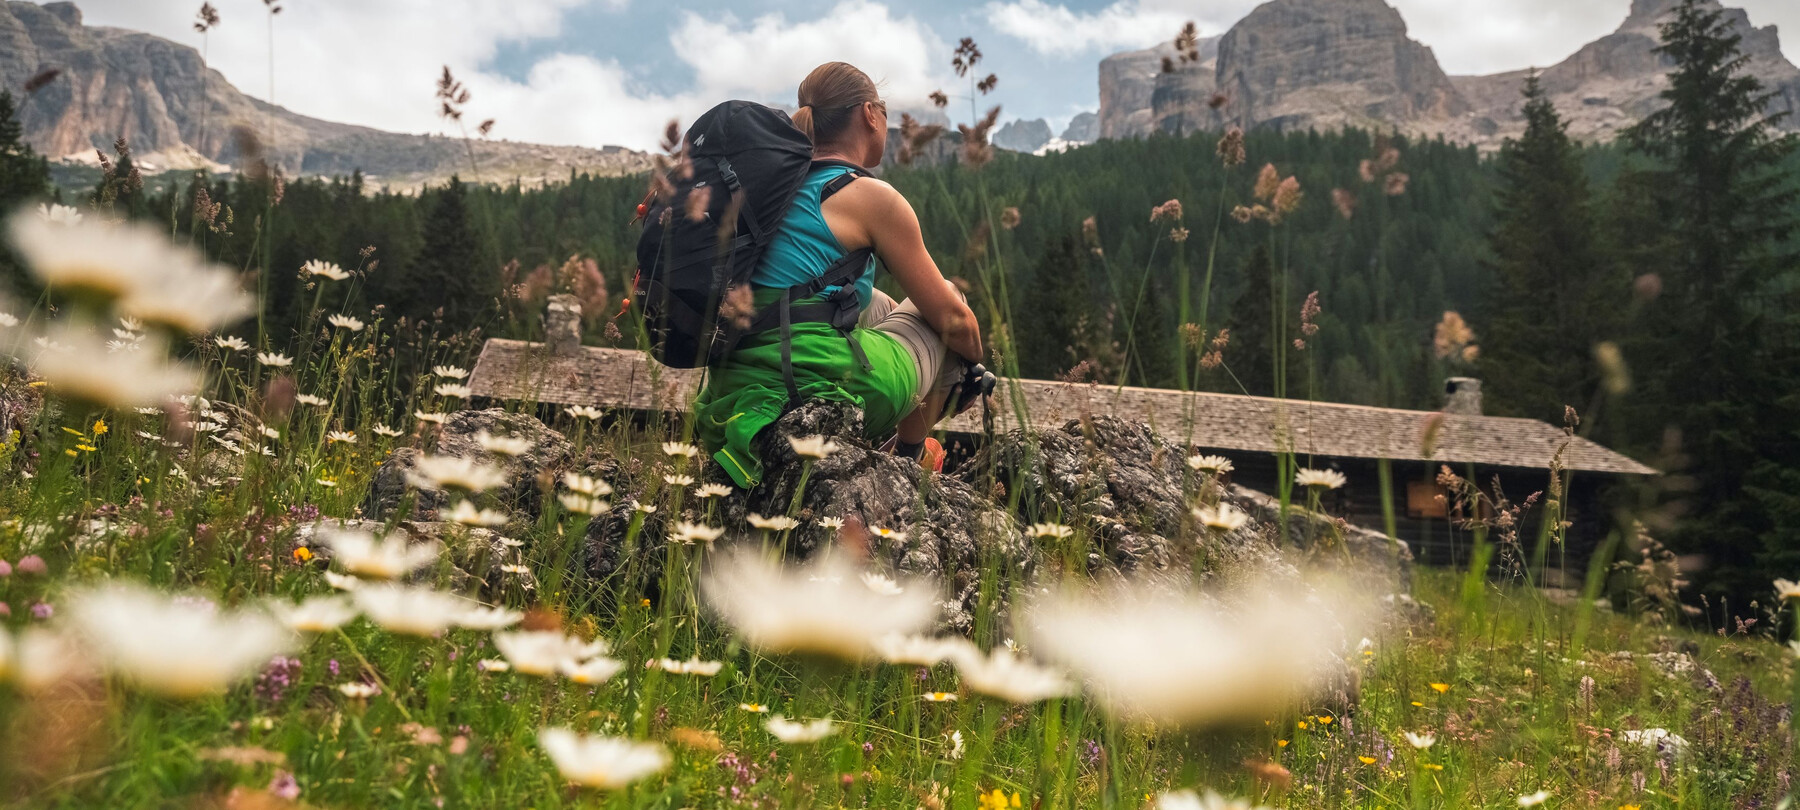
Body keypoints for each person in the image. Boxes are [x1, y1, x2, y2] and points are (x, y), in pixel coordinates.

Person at [696, 61, 986, 488]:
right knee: (948, 300)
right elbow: (953, 322)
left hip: (723, 401)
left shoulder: (766, 187)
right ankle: (907, 460)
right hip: (804, 387)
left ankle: (906, 446)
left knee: (880, 304)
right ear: (870, 114)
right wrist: (971, 365)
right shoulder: (869, 196)